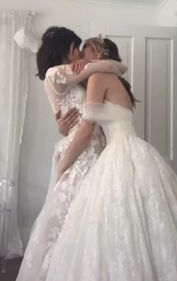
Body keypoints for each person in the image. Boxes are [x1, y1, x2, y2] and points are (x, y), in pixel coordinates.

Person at [44, 37, 177, 281]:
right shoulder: (121, 84)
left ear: (98, 54)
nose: (81, 61)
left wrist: (63, 163)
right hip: (136, 150)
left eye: (85, 54)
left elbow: (87, 128)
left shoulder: (98, 79)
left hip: (117, 152)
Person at [16, 27, 127, 281]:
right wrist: (92, 62)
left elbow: (69, 116)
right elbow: (118, 68)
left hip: (90, 148)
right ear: (68, 49)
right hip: (81, 151)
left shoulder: (73, 77)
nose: (79, 53)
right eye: (77, 48)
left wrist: (62, 126)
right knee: (73, 219)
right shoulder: (56, 73)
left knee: (91, 219)